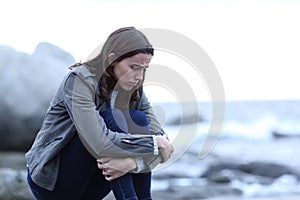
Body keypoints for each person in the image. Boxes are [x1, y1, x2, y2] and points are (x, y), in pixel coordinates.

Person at [25, 26, 174, 200]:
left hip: (93, 181)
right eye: (134, 67)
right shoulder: (79, 80)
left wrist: (132, 163)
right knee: (113, 119)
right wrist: (153, 144)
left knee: (138, 119)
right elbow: (100, 143)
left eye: (144, 69)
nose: (139, 77)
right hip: (53, 182)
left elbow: (165, 148)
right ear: (112, 59)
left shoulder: (134, 89)